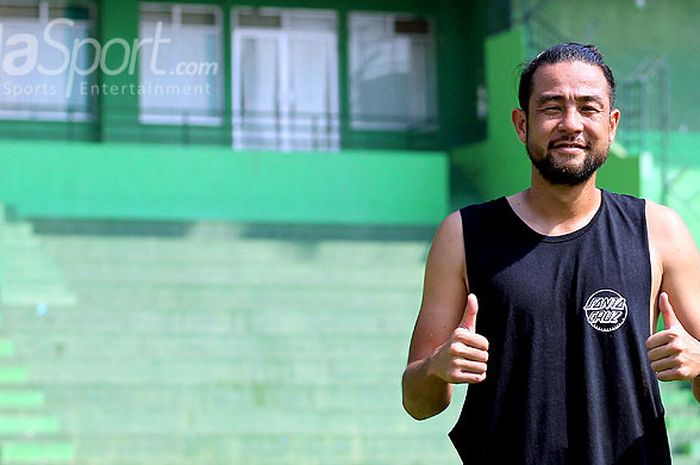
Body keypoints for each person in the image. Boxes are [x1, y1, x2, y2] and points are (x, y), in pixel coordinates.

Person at [401, 42, 700, 465]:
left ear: (612, 125)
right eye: (552, 107)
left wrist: (698, 362)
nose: (571, 124)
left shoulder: (659, 230)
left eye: (588, 108)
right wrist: (436, 368)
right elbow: (418, 402)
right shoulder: (464, 234)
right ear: (522, 124)